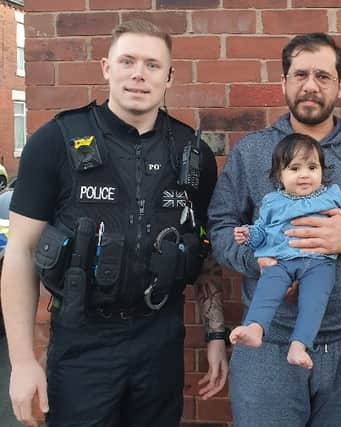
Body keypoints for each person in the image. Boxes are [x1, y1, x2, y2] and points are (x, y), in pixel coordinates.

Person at [0, 19, 227, 427]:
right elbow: (20, 252)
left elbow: (204, 252)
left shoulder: (194, 154)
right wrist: (21, 361)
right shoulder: (55, 142)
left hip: (159, 339)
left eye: (153, 65)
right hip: (83, 341)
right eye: (128, 61)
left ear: (169, 76)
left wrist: (214, 336)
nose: (139, 74)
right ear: (106, 67)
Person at [208, 33, 341, 426]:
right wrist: (259, 261)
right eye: (300, 74)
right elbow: (220, 228)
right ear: (283, 82)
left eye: (323, 75)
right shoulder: (252, 152)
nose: (310, 86)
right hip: (269, 342)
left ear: (340, 86)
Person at [230, 133, 341, 369]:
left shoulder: (331, 195)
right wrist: (249, 235)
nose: (304, 174)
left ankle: (299, 345)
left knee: (314, 301)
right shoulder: (272, 201)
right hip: (281, 261)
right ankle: (255, 327)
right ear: (279, 175)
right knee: (267, 289)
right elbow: (263, 231)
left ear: (322, 171)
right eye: (294, 168)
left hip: (319, 263)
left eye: (312, 167)